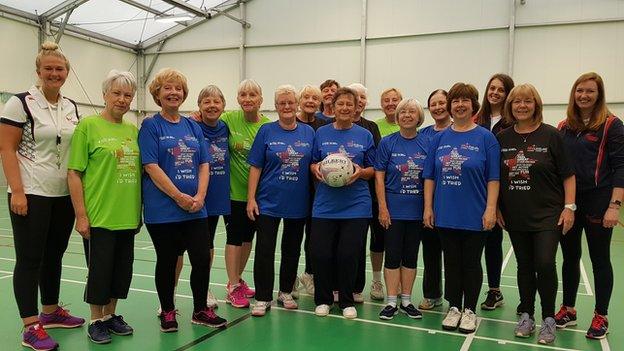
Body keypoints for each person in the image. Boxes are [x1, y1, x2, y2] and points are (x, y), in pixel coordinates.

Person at [0, 41, 85, 351]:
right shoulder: (19, 103)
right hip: (31, 193)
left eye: (59, 69)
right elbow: (6, 149)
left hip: (62, 194)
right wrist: (18, 191)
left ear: (67, 73)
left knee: (54, 255)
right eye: (48, 68)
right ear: (38, 71)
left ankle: (50, 312)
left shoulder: (71, 106)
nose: (54, 73)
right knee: (30, 259)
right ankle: (29, 325)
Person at [139, 68, 226, 332]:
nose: (173, 93)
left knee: (201, 259)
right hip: (163, 209)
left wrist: (199, 197)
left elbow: (204, 164)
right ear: (157, 94)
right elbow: (151, 166)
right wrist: (178, 197)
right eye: (167, 88)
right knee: (167, 261)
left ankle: (200, 310)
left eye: (178, 89)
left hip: (196, 209)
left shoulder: (192, 126)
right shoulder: (151, 126)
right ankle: (167, 311)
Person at [497, 84, 575, 344]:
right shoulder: (503, 138)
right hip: (515, 213)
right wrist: (496, 207)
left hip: (548, 214)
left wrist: (569, 207)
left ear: (536, 105)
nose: (522, 105)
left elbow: (568, 175)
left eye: (527, 101)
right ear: (510, 106)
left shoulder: (552, 135)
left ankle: (549, 318)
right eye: (517, 101)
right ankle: (527, 315)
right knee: (524, 266)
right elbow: (496, 177)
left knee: (544, 263)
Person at [67, 70, 141, 344]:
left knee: (121, 272)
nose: (122, 99)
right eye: (117, 93)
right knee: (99, 272)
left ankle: (111, 316)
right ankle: (96, 319)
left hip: (128, 215)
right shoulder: (88, 126)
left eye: (127, 95)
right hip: (100, 216)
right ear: (105, 95)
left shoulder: (133, 130)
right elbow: (74, 173)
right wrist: (81, 215)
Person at [423, 82, 500, 334]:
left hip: (475, 213)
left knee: (471, 263)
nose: (460, 104)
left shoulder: (486, 138)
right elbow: (430, 176)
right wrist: (428, 208)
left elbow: (493, 178)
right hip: (446, 212)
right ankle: (454, 307)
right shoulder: (439, 138)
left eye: (465, 100)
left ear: (473, 105)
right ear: (450, 106)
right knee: (452, 263)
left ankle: (469, 310)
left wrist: (490, 209)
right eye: (455, 100)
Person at [557, 72, 624, 340]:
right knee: (570, 258)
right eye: (579, 91)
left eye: (590, 91)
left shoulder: (612, 125)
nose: (584, 96)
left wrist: (615, 205)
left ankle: (601, 315)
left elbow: (621, 167)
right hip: (571, 203)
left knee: (600, 260)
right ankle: (569, 309)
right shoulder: (564, 126)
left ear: (599, 95)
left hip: (599, 202)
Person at [247, 85, 315, 316]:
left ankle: (286, 291)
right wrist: (251, 199)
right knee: (265, 249)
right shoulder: (266, 131)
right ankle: (263, 297)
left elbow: (315, 165)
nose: (286, 107)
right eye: (282, 103)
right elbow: (255, 167)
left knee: (292, 249)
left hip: (298, 202)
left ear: (296, 105)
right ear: (275, 106)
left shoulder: (309, 133)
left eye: (290, 102)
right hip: (268, 202)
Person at [310, 87, 375, 319]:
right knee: (321, 254)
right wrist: (316, 168)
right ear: (333, 107)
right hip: (325, 206)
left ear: (356, 107)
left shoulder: (364, 135)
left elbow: (372, 169)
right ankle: (324, 299)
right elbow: (312, 163)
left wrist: (359, 172)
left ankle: (347, 300)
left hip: (356, 205)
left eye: (350, 104)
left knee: (349, 254)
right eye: (341, 104)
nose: (345, 108)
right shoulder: (321, 133)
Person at [375, 98, 428, 320]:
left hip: (416, 210)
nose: (407, 115)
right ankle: (391, 301)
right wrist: (383, 208)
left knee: (410, 257)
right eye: (403, 112)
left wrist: (428, 208)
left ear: (419, 117)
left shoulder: (427, 143)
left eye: (412, 112)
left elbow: (430, 179)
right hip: (393, 210)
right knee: (393, 255)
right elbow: (379, 176)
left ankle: (406, 300)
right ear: (397, 117)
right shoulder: (387, 143)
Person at [220, 79, 271, 308]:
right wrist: (195, 116)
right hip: (233, 194)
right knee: (234, 239)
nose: (248, 99)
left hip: (258, 196)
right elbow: (206, 122)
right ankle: (231, 285)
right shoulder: (228, 119)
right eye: (243, 95)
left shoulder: (268, 126)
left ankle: (237, 280)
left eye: (253, 95)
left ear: (261, 99)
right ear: (237, 99)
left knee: (248, 240)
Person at [475, 73, 515, 311]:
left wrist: (497, 202)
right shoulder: (477, 118)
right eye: (492, 88)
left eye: (501, 89)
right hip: (475, 191)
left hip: (500, 190)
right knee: (474, 243)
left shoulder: (511, 123)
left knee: (493, 241)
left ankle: (495, 290)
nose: (495, 93)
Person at [348, 83, 384, 302]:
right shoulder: (331, 126)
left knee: (367, 240)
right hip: (341, 197)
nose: (358, 101)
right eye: (354, 97)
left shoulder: (370, 128)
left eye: (362, 97)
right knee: (351, 244)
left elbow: (376, 163)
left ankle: (358, 287)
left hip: (367, 193)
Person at [417, 89, 451, 311]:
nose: (438, 107)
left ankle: (456, 298)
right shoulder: (422, 134)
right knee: (430, 251)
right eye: (434, 104)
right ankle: (432, 294)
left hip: (450, 200)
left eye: (442, 103)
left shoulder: (459, 131)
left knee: (453, 253)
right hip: (426, 200)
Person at [296, 85, 329, 295]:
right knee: (293, 234)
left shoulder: (325, 125)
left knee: (313, 236)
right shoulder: (292, 121)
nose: (310, 100)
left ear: (320, 102)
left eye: (314, 98)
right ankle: (289, 277)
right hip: (295, 188)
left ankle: (309, 273)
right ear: (300, 100)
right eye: (306, 97)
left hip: (319, 190)